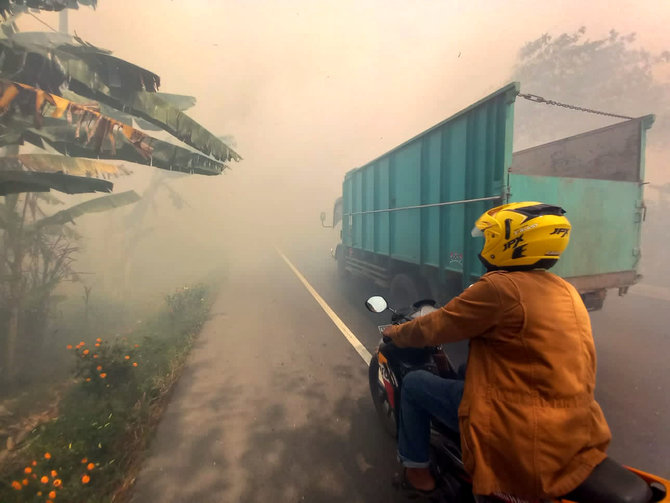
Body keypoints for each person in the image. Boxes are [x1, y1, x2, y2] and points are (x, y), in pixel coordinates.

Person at [383, 201, 611, 500]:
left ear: (511, 242)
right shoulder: (564, 289)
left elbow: (435, 326)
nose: (486, 245)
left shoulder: (499, 289)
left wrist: (395, 334)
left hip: (519, 423)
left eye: (491, 237)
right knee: (467, 371)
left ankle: (418, 475)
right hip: (574, 422)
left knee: (413, 385)